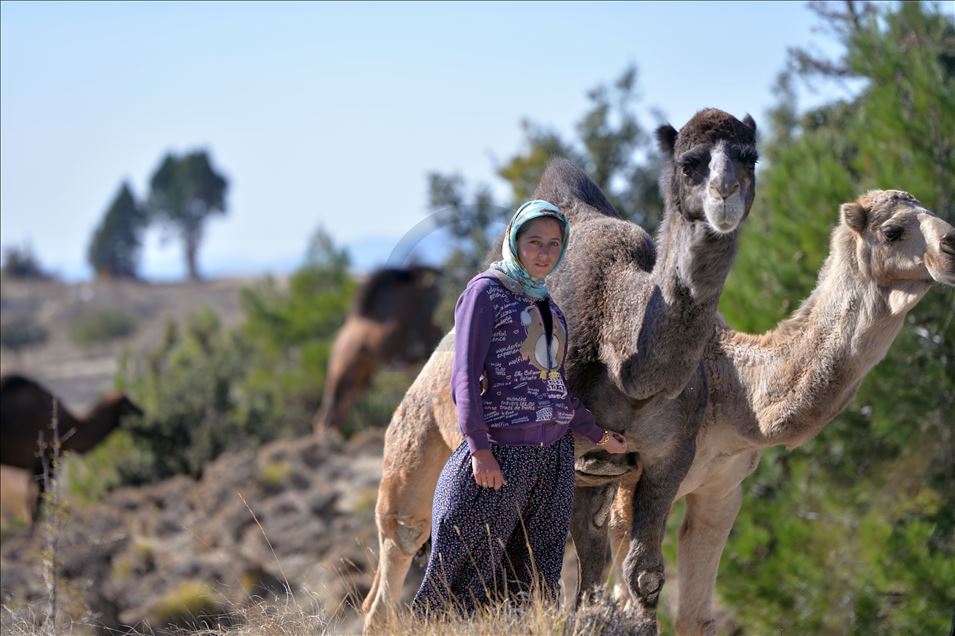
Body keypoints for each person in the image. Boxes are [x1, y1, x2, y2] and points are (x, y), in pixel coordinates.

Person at [412, 199, 628, 616]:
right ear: (515, 240)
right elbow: (463, 380)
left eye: (553, 243)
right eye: (534, 242)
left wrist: (598, 434)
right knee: (462, 572)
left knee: (535, 577)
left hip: (554, 461)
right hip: (501, 455)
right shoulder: (485, 292)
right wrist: (479, 450)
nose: (543, 253)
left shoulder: (550, 306)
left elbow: (554, 387)